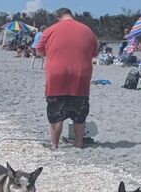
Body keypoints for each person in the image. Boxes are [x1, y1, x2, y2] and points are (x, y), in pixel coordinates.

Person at [36, 8, 99, 149]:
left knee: (56, 114)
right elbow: (94, 53)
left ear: (58, 17)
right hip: (80, 75)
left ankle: (54, 144)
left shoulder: (50, 30)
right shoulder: (87, 30)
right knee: (79, 115)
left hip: (56, 75)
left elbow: (39, 51)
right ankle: (79, 143)